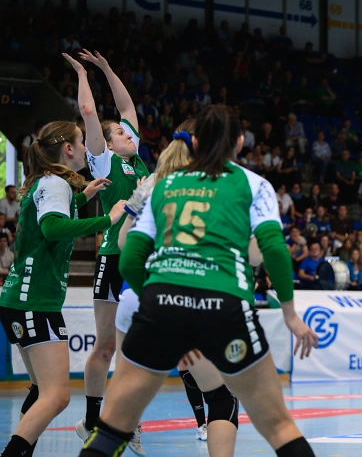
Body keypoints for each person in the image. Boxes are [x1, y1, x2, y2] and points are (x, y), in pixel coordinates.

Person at [79, 105, 318, 457]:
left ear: (193, 141)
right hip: (225, 305)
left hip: (162, 303)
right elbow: (274, 250)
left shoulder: (162, 183)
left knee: (114, 427)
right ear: (239, 142)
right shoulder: (253, 184)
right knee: (277, 425)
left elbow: (128, 256)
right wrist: (290, 315)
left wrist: (159, 305)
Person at [116, 120, 263, 452]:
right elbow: (254, 255)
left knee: (122, 404)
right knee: (222, 397)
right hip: (190, 297)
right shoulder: (219, 183)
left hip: (138, 297)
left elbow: (124, 244)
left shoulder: (153, 182)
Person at [0, 121, 125, 457]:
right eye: (82, 141)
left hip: (21, 299)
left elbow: (49, 218)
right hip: (35, 301)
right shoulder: (55, 183)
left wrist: (84, 196)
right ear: (68, 149)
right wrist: (108, 220)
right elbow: (52, 228)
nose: (86, 147)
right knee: (56, 396)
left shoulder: (49, 183)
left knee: (42, 390)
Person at [65, 51, 151, 449]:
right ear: (109, 144)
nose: (129, 134)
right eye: (121, 133)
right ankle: (91, 421)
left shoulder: (140, 163)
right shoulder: (104, 163)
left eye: (128, 132)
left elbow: (128, 107)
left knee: (138, 345)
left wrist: (108, 69)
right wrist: (84, 74)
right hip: (114, 258)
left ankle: (126, 419)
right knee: (105, 346)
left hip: (143, 258)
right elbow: (88, 111)